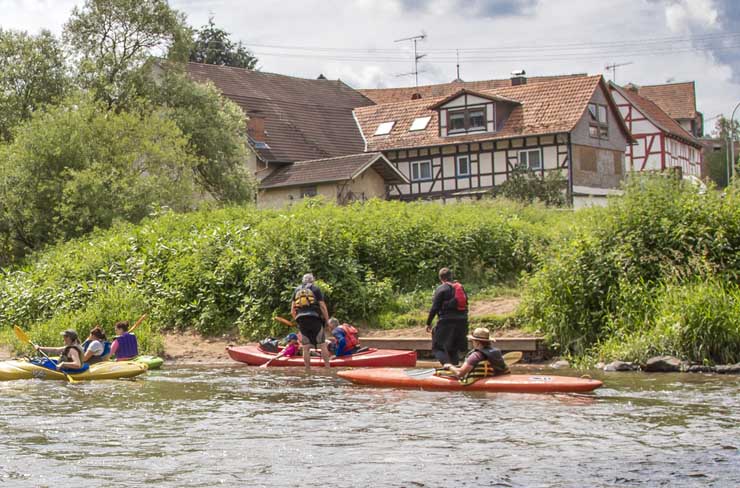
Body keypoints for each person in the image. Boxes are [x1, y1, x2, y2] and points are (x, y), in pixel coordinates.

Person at [426, 267, 469, 366]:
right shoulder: (460, 287)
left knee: (437, 348)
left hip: (446, 322)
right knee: (452, 348)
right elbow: (466, 304)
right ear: (451, 276)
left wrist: (428, 323)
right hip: (462, 322)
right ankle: (455, 372)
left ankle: (449, 369)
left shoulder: (441, 288)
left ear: (441, 278)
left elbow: (435, 308)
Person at [442, 327, 510, 384]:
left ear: (477, 342)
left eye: (473, 341)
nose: (472, 343)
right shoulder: (496, 352)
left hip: (480, 382)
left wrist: (449, 366)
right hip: (497, 378)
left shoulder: (475, 356)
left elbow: (460, 373)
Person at [290, 273, 331, 369]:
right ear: (312, 281)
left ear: (303, 281)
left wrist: (298, 321)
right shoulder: (315, 289)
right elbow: (322, 306)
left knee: (305, 347)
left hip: (301, 319)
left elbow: (292, 311)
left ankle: (307, 369)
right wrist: (327, 320)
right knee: (322, 343)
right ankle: (327, 368)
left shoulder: (296, 290)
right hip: (314, 318)